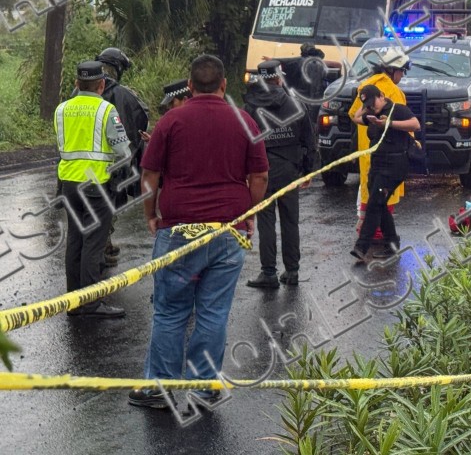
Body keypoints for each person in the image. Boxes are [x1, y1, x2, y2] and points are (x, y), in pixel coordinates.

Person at [129, 54, 269, 409]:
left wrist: (150, 213)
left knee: (170, 311)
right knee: (213, 312)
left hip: (178, 231)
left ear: (189, 86)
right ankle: (204, 388)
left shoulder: (171, 121)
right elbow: (260, 176)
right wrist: (249, 214)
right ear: (224, 84)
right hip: (227, 233)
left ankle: (159, 389)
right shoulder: (244, 121)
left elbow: (150, 174)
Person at [55, 61, 131, 318]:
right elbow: (123, 152)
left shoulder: (61, 109)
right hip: (96, 186)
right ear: (102, 85)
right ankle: (90, 303)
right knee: (93, 244)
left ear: (77, 84)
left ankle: (73, 302)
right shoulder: (106, 110)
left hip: (69, 184)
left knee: (75, 240)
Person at [243, 60, 316, 289]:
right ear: (278, 78)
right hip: (289, 168)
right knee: (290, 220)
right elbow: (309, 139)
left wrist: (244, 172)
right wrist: (308, 170)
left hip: (261, 170)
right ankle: (292, 271)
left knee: (266, 222)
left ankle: (268, 273)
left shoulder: (250, 106)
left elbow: (244, 141)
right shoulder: (295, 103)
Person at [350, 84, 420, 260]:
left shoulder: (397, 109)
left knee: (375, 204)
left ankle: (361, 247)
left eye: (373, 103)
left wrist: (388, 123)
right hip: (377, 165)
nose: (371, 108)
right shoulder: (372, 115)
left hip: (394, 166)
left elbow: (415, 125)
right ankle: (392, 243)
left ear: (382, 96)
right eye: (368, 106)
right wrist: (364, 104)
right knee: (380, 205)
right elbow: (356, 118)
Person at [95, 48, 150, 266]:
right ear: (117, 68)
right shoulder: (123, 94)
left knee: (97, 208)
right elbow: (140, 119)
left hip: (82, 163)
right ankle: (98, 254)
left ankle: (104, 245)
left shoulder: (80, 90)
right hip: (111, 162)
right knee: (106, 206)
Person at [347, 48, 410, 240]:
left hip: (367, 150)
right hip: (388, 152)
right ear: (393, 70)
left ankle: (367, 228)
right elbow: (403, 121)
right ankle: (377, 233)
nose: (402, 76)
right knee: (385, 193)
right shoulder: (393, 91)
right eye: (401, 71)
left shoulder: (367, 85)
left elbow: (353, 114)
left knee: (369, 189)